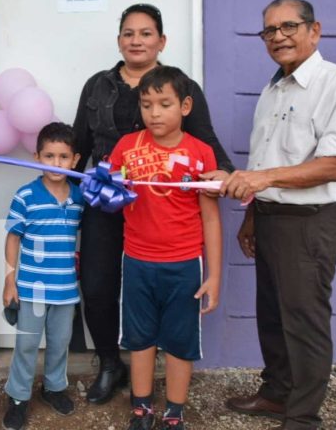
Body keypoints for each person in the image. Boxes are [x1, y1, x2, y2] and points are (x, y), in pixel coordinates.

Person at [72, 2, 233, 404]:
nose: (136, 40)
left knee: (153, 291)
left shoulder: (181, 86)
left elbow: (205, 140)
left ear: (161, 41)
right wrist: (64, 177)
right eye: (129, 33)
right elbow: (79, 144)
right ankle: (111, 363)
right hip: (109, 202)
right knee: (97, 286)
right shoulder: (97, 84)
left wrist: (225, 174)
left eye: (146, 33)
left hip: (159, 211)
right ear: (119, 40)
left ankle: (164, 376)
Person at [222, 0, 336, 430]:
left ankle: (303, 416)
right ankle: (276, 394)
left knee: (304, 320)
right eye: (269, 30)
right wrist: (252, 215)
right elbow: (266, 161)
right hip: (269, 218)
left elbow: (331, 164)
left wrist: (262, 181)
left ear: (314, 30)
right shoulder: (274, 89)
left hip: (308, 224)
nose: (278, 36)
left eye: (288, 26)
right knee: (272, 312)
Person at [109, 66, 222, 430]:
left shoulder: (201, 153)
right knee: (140, 340)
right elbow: (108, 198)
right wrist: (104, 187)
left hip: (185, 265)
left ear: (185, 106)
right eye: (146, 105)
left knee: (179, 342)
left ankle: (174, 412)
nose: (154, 113)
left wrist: (215, 275)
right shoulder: (127, 147)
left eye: (164, 103)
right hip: (138, 261)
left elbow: (210, 219)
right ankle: (141, 408)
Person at [1, 122, 85, 430]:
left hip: (65, 289)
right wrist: (10, 278)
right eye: (49, 156)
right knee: (26, 344)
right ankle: (18, 396)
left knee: (60, 342)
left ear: (75, 160)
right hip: (32, 287)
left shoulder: (80, 197)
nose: (57, 163)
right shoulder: (26, 196)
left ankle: (53, 387)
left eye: (64, 157)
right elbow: (13, 237)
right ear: (37, 157)